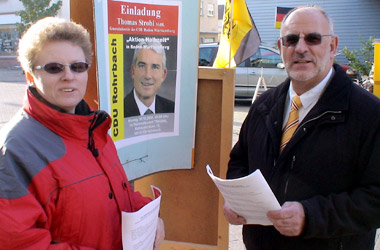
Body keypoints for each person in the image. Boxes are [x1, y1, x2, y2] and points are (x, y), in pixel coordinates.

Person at [223, 5, 380, 250]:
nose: (301, 48)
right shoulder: (263, 106)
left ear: (332, 46)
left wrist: (310, 216)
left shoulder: (370, 114)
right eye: (291, 39)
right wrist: (236, 200)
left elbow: (375, 198)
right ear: (280, 48)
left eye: (313, 39)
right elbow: (240, 162)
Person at [0, 17, 164, 249]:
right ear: (30, 77)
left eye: (77, 66)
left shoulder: (94, 129)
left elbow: (117, 192)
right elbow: (19, 243)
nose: (69, 75)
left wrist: (148, 216)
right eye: (54, 68)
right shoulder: (16, 150)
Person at [124, 41, 175, 117]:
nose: (147, 75)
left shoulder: (171, 109)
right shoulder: (119, 110)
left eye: (154, 67)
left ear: (163, 74)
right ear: (133, 71)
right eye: (142, 66)